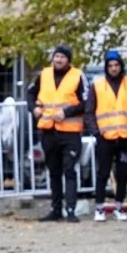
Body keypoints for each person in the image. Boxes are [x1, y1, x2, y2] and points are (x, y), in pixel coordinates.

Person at [32, 45, 87, 223]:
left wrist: (67, 112)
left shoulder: (78, 76)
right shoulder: (43, 75)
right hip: (48, 130)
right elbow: (30, 94)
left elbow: (86, 101)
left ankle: (70, 209)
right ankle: (55, 209)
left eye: (63, 57)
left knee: (69, 170)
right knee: (54, 171)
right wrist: (33, 108)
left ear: (68, 60)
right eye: (56, 56)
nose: (59, 60)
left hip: (70, 132)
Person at [87, 49, 127, 222]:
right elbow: (90, 111)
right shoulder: (98, 85)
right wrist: (96, 132)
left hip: (126, 137)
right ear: (106, 67)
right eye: (110, 66)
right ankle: (99, 208)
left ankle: (119, 206)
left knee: (123, 174)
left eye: (116, 65)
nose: (114, 68)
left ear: (121, 66)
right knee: (102, 173)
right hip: (105, 137)